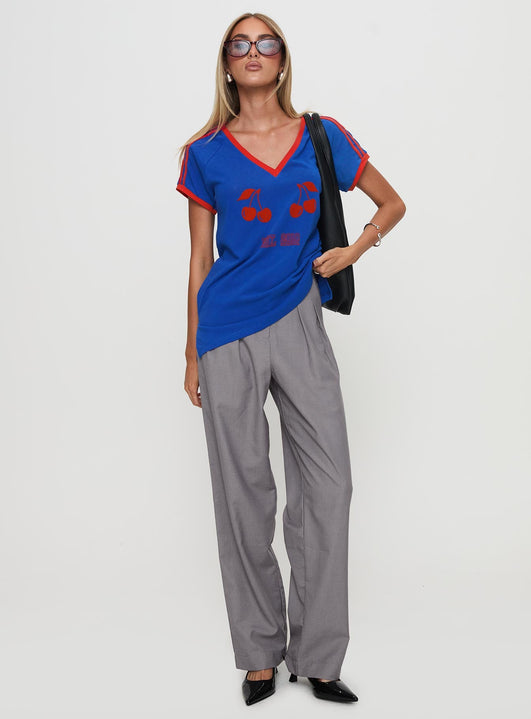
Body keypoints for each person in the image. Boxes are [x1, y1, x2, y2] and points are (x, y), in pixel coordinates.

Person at [176, 11, 406, 706]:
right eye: (240, 44)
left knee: (329, 486)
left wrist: (353, 248)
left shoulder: (320, 135)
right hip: (226, 332)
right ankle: (258, 654)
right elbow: (198, 258)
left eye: (266, 43)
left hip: (301, 319)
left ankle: (318, 656)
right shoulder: (203, 152)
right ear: (227, 64)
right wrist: (190, 351)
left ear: (282, 61)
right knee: (243, 494)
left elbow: (392, 202)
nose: (254, 52)